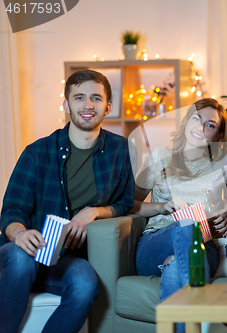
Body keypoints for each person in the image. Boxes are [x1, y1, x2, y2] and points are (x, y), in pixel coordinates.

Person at [0, 69, 135, 332]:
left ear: (108, 107)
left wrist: (95, 211)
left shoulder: (120, 150)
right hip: (24, 251)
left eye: (96, 98)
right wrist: (19, 234)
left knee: (85, 283)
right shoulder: (38, 151)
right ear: (66, 105)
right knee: (19, 260)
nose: (88, 105)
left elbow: (125, 202)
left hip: (66, 260)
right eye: (79, 97)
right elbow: (12, 209)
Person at [131, 98, 227, 331]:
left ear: (218, 135)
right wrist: (161, 207)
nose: (201, 128)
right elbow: (130, 204)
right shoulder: (160, 156)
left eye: (210, 125)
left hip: (203, 248)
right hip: (154, 243)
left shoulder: (224, 162)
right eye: (196, 119)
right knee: (187, 223)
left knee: (174, 269)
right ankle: (202, 313)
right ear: (186, 121)